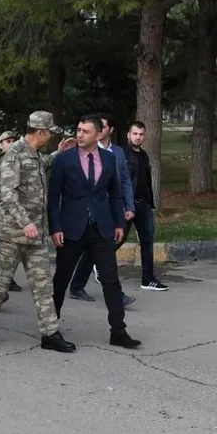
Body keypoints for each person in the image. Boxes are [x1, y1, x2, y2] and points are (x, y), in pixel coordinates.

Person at [0, 111, 76, 352]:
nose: (50, 136)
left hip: (35, 235)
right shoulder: (14, 155)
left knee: (42, 285)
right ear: (40, 132)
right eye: (49, 133)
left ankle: (50, 333)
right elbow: (7, 194)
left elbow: (42, 166)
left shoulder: (35, 154)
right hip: (13, 234)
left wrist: (59, 152)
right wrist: (25, 222)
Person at [49, 114, 142, 348]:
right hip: (71, 229)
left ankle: (118, 332)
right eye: (78, 130)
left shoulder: (109, 160)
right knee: (61, 279)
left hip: (102, 229)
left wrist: (119, 223)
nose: (79, 134)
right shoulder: (64, 160)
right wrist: (56, 227)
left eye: (85, 131)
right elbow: (52, 199)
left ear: (99, 134)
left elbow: (115, 194)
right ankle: (50, 329)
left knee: (111, 280)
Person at [69, 113, 135, 304]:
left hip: (110, 208)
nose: (102, 129)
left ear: (109, 130)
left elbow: (124, 180)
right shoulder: (84, 150)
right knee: (102, 251)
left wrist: (128, 205)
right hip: (92, 209)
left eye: (105, 126)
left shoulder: (118, 152)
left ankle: (77, 285)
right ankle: (115, 295)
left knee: (95, 250)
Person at [120, 121, 168, 291]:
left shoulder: (144, 155)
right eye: (135, 134)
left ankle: (148, 279)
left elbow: (145, 181)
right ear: (128, 135)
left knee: (147, 241)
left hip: (144, 204)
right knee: (117, 239)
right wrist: (125, 205)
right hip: (127, 205)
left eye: (141, 134)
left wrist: (149, 202)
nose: (138, 137)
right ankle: (95, 263)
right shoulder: (122, 155)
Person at [0, 130, 23, 293]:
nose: (11, 143)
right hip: (4, 217)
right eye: (7, 141)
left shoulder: (20, 162)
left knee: (16, 253)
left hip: (17, 216)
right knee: (4, 255)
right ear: (0, 145)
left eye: (13, 140)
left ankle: (6, 280)